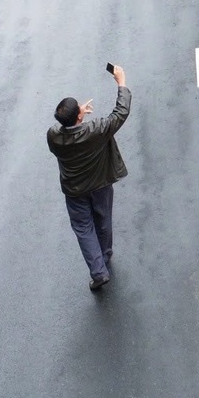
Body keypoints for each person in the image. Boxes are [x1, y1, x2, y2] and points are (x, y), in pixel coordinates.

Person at [47, 64, 133, 291]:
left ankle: (98, 271)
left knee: (84, 229)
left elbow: (69, 131)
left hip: (75, 191)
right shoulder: (96, 130)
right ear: (79, 116)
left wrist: (77, 116)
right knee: (103, 220)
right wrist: (121, 82)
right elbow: (120, 113)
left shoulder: (53, 136)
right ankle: (105, 255)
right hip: (101, 185)